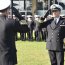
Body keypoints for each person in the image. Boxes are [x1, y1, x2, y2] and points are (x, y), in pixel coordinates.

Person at [0, 0, 28, 65]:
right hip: (8, 57)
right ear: (7, 10)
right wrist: (19, 16)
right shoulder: (11, 22)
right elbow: (26, 29)